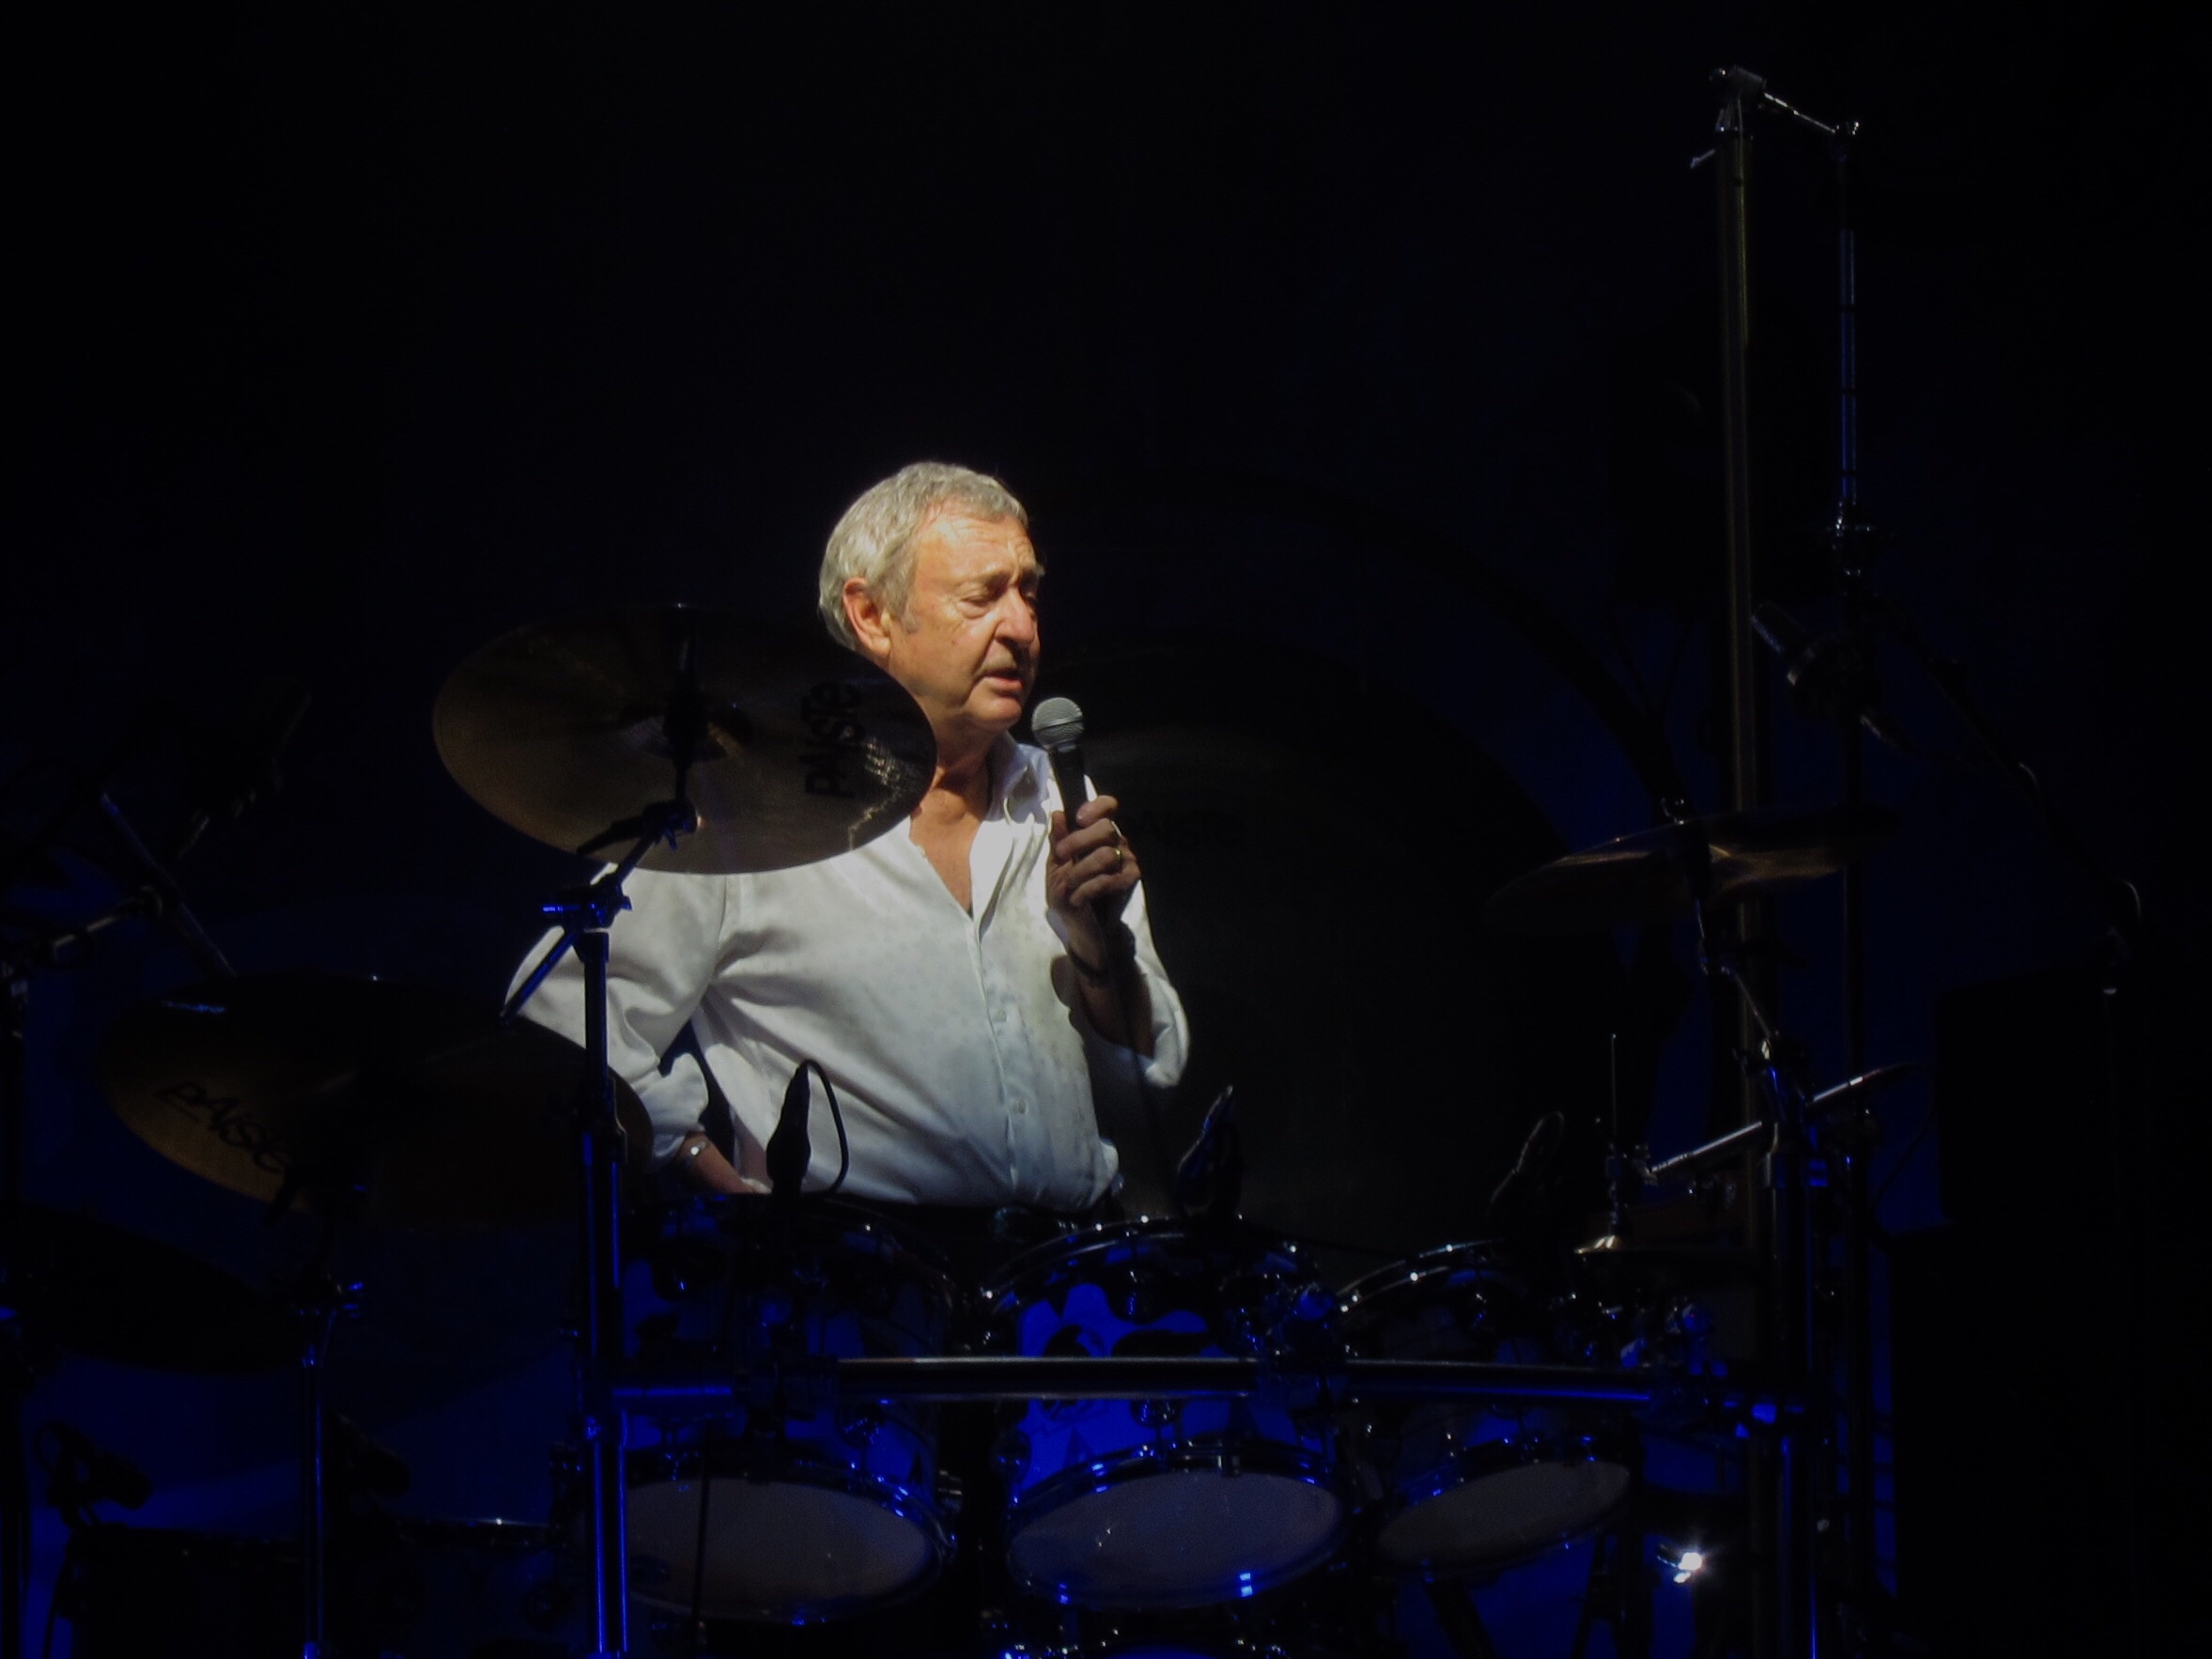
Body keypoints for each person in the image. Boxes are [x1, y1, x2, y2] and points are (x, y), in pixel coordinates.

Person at [513, 461, 1188, 1212]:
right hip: (853, 1268)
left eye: (1028, 593)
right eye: (982, 596)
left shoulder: (1057, 798)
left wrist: (1097, 952)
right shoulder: (749, 812)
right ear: (871, 616)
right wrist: (700, 1165)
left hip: (1061, 1266)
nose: (1022, 628)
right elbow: (562, 1021)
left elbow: (1148, 1079)